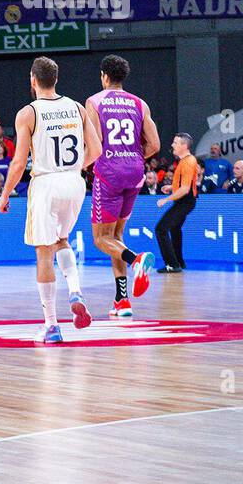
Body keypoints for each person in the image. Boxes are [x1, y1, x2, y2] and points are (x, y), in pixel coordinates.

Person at [0, 57, 100, 344]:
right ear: (56, 79)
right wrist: (78, 167)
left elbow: (18, 163)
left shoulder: (28, 113)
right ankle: (75, 289)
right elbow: (97, 150)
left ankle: (52, 325)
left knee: (44, 252)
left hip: (45, 182)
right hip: (74, 181)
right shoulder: (77, 108)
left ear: (33, 79)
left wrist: (5, 195)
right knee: (62, 239)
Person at [85, 54, 159, 318]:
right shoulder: (140, 103)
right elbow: (155, 145)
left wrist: (81, 166)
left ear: (104, 75)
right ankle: (122, 300)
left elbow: (94, 144)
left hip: (109, 174)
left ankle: (136, 260)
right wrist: (132, 156)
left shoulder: (94, 102)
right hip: (136, 172)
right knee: (116, 238)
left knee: (101, 239)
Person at [155, 133, 199, 273]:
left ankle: (173, 264)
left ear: (184, 146)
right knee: (174, 229)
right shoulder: (185, 161)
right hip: (185, 201)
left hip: (185, 202)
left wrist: (166, 199)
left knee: (161, 229)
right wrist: (172, 188)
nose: (172, 145)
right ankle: (179, 262)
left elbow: (185, 189)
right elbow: (183, 185)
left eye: (175, 143)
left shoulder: (188, 162)